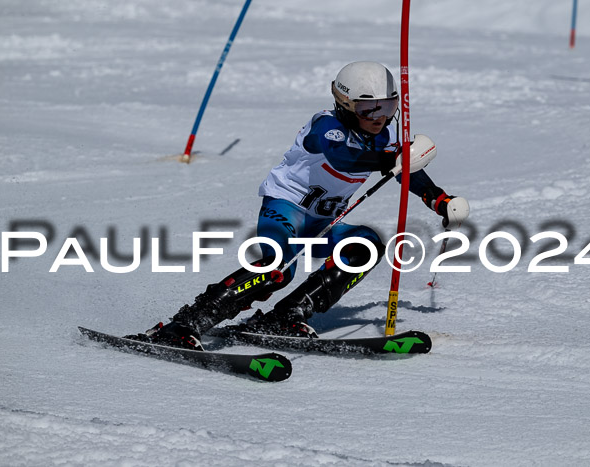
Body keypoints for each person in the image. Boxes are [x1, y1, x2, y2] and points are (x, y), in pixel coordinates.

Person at [126, 61, 469, 350]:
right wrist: (387, 159)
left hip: (324, 223)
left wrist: (438, 199)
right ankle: (184, 325)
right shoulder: (326, 126)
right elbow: (344, 157)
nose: (379, 118)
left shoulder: (385, 138)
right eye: (368, 109)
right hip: (286, 209)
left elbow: (408, 173)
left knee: (365, 246)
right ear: (346, 104)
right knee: (278, 267)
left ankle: (286, 316)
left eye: (387, 107)